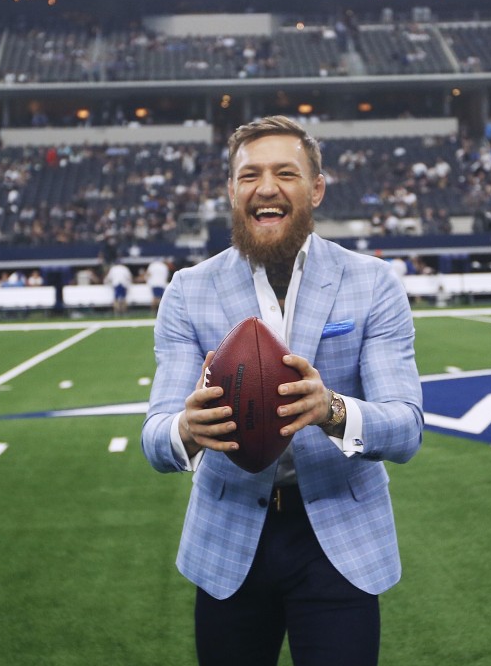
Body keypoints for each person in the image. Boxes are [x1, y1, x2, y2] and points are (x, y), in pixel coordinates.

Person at [141, 115, 423, 666]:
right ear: (231, 190)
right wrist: (186, 429)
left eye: (285, 173)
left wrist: (332, 409)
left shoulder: (373, 282)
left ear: (316, 188)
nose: (266, 188)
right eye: (249, 176)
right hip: (229, 540)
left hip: (339, 536)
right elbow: (154, 440)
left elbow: (407, 426)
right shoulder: (188, 291)